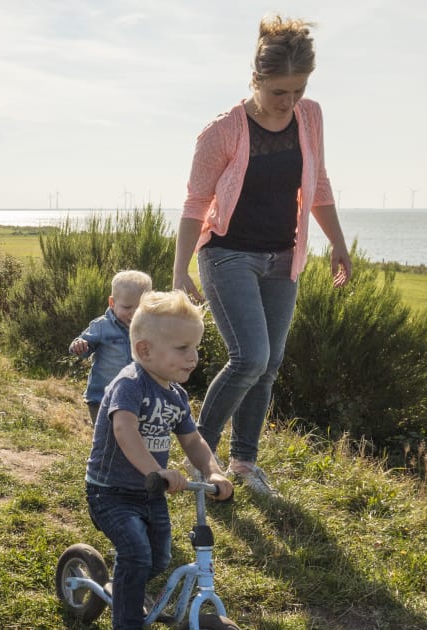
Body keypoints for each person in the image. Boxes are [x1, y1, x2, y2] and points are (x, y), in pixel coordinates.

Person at [171, 15, 351, 498]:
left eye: (297, 90)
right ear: (256, 79)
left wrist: (336, 240)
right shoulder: (222, 132)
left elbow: (319, 184)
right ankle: (200, 460)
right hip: (228, 254)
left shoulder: (310, 117)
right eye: (279, 93)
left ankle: (245, 463)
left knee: (269, 365)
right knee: (249, 356)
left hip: (282, 258)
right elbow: (195, 203)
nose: (288, 102)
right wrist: (180, 269)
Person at [85, 291, 232, 630]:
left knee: (160, 557)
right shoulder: (129, 384)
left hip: (150, 494)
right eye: (182, 347)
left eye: (196, 347)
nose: (193, 356)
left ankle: (126, 588)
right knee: (137, 553)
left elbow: (193, 440)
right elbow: (124, 430)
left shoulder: (177, 396)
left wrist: (213, 471)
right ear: (145, 350)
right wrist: (157, 470)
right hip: (110, 491)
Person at [68, 270, 151, 423]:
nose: (133, 314)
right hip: (102, 398)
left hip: (136, 399)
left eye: (140, 308)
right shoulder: (102, 326)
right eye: (127, 307)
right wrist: (80, 346)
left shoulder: (149, 329)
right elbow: (84, 346)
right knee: (105, 441)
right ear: (112, 303)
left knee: (131, 440)